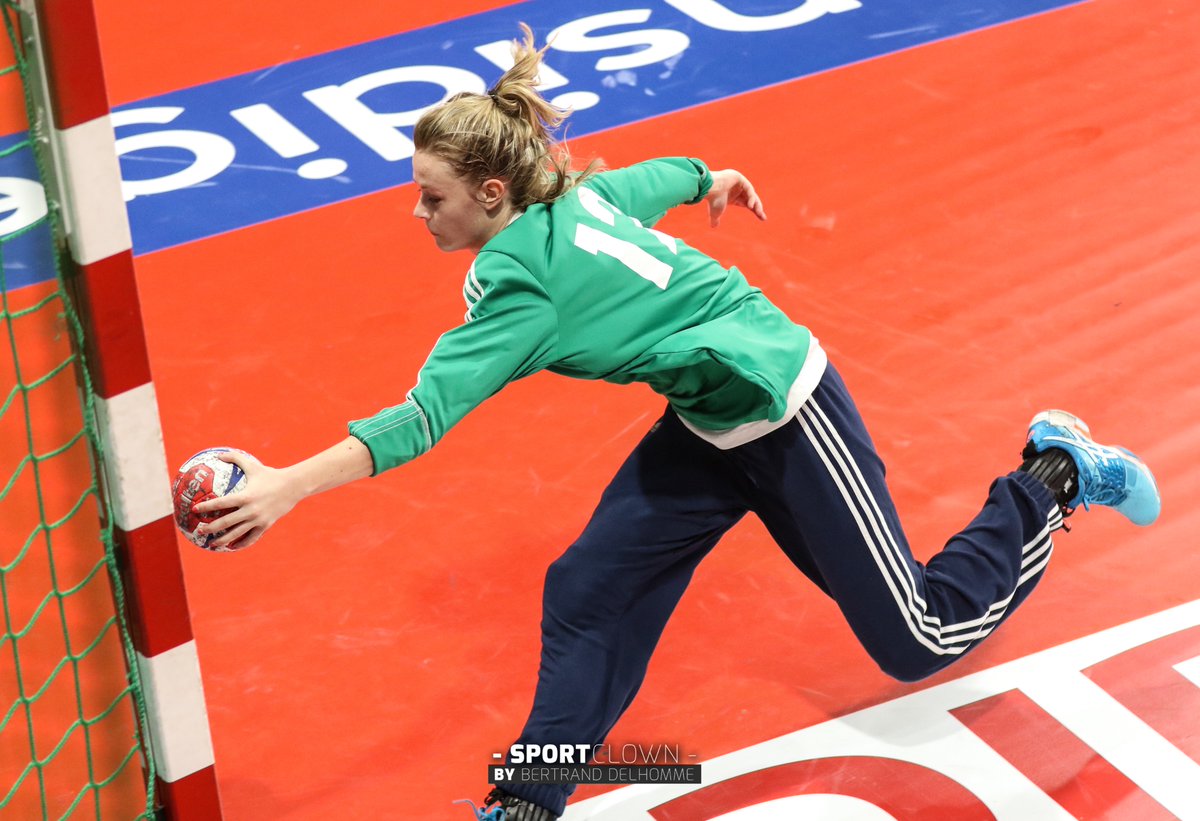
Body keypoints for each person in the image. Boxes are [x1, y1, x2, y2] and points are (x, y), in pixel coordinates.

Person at [191, 24, 1161, 821]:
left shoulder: (521, 289)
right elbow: (638, 183)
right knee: (589, 588)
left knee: (917, 636)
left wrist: (282, 483)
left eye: (431, 196)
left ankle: (1054, 474)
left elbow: (419, 418)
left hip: (784, 406)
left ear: (491, 195)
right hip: (708, 419)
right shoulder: (565, 199)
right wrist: (711, 174)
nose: (417, 212)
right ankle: (530, 799)